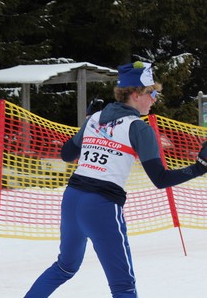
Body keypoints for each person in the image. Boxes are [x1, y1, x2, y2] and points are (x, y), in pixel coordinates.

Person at [24, 61, 207, 298]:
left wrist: (88, 126)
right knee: (123, 287)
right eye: (151, 93)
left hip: (72, 200)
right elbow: (160, 179)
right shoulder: (138, 128)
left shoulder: (95, 117)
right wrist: (200, 168)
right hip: (100, 206)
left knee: (64, 267)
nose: (154, 99)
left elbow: (67, 154)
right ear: (134, 94)